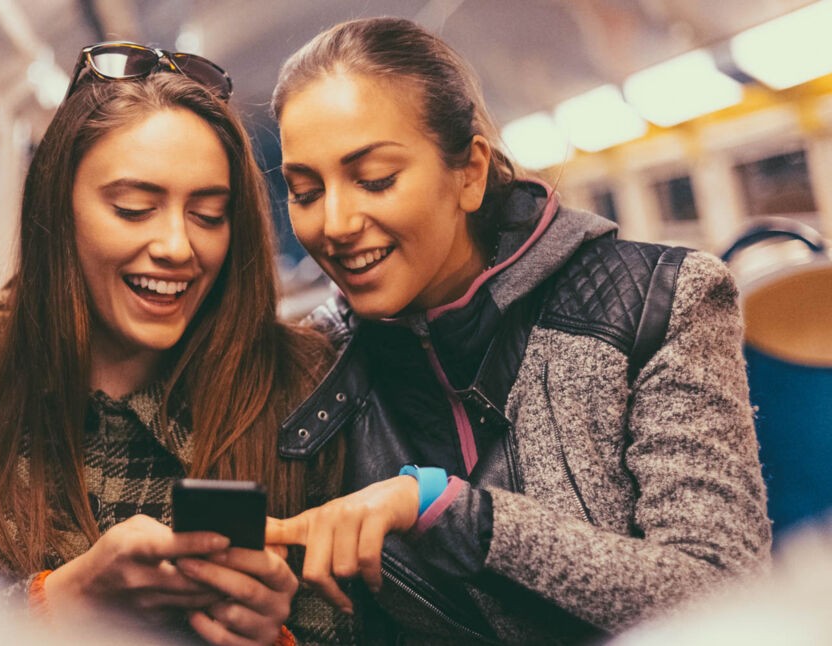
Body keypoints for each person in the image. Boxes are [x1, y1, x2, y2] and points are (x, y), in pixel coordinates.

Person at [264, 17, 772, 644]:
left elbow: (725, 595)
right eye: (305, 191)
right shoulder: (316, 363)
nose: (334, 223)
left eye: (375, 180)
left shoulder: (660, 304)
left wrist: (446, 511)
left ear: (470, 173)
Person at [0, 42, 356, 645]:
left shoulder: (303, 389)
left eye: (208, 215)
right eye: (134, 208)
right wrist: (60, 600)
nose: (177, 245)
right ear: (59, 208)